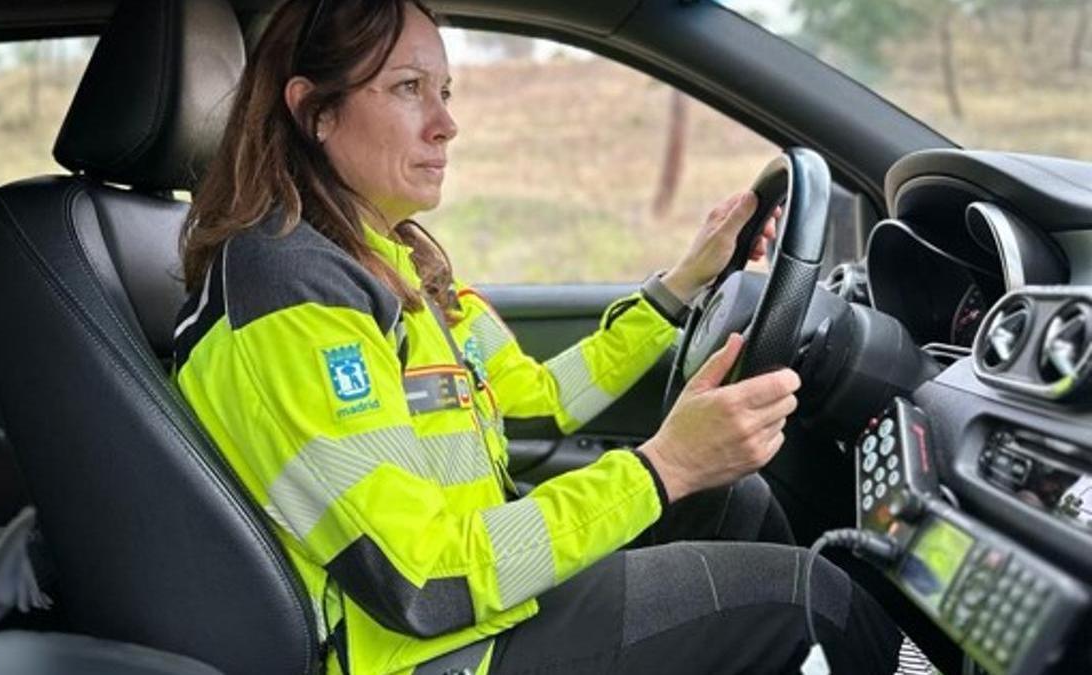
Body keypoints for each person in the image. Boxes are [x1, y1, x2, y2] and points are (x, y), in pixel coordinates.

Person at [173, 0, 903, 673]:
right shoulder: (290, 293)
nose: (445, 123)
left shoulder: (395, 263)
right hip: (433, 651)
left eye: (446, 91)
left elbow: (539, 405)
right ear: (314, 111)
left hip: (479, 601)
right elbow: (419, 579)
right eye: (407, 89)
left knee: (736, 500)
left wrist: (678, 288)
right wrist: (660, 467)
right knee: (818, 603)